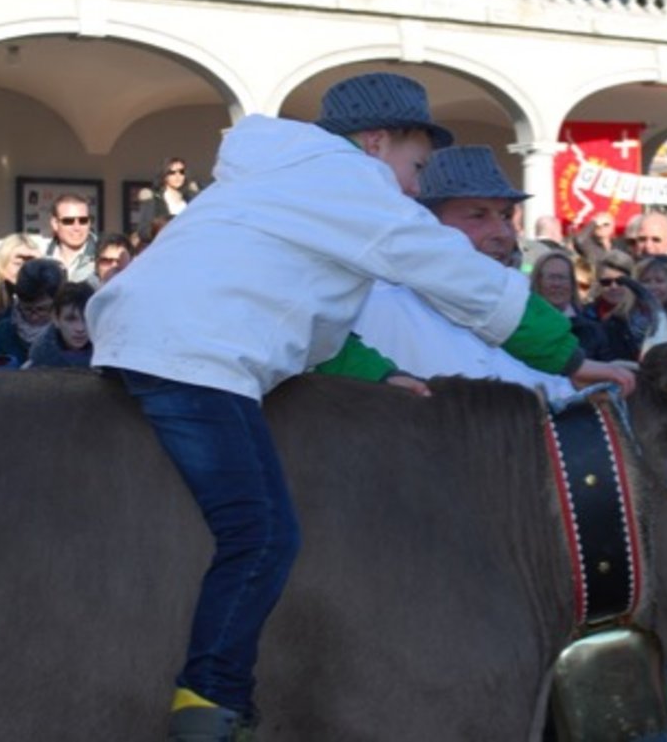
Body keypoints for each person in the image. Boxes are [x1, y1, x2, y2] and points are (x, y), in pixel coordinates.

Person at [89, 75, 631, 740]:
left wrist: (380, 373)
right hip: (196, 354)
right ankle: (208, 699)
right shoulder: (354, 186)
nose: (412, 187)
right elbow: (458, 276)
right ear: (376, 142)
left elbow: (302, 313)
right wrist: (571, 358)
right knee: (261, 531)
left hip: (154, 335)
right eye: (416, 166)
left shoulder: (277, 177)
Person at [352, 146, 601, 397]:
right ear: (427, 223)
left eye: (505, 216)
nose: (503, 233)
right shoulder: (380, 307)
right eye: (477, 216)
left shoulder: (521, 307)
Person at [0, 256, 64, 362]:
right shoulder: (4, 329)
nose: (33, 316)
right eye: (27, 309)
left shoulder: (68, 331)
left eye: (41, 309)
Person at [25, 280, 94, 368]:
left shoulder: (111, 359)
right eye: (70, 319)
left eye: (87, 319)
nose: (80, 328)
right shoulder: (38, 361)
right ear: (55, 318)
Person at [0, 232, 41, 322]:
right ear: (2, 265)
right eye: (18, 264)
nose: (25, 270)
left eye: (31, 264)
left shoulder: (46, 293)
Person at [45, 193, 96, 284]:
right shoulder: (40, 256)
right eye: (68, 221)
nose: (77, 227)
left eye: (83, 220)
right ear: (55, 224)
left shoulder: (104, 257)